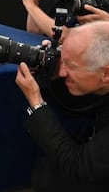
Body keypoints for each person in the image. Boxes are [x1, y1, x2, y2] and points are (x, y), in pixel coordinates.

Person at [15, 20, 109, 191]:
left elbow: (77, 167)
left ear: (106, 73)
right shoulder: (100, 75)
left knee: (48, 176)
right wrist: (51, 72)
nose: (62, 71)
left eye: (71, 66)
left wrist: (36, 102)